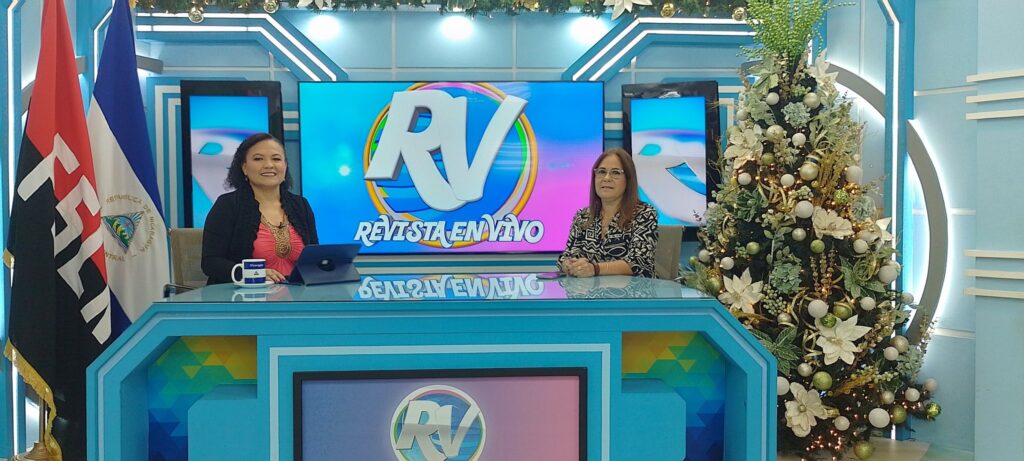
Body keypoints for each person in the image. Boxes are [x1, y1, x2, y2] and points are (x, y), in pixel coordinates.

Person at [202, 133, 318, 284]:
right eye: (258, 159)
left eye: (276, 159)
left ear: (285, 166)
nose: (269, 165)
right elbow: (210, 262)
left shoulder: (301, 205)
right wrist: (252, 274)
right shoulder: (228, 205)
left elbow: (314, 257)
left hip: (297, 294)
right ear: (244, 168)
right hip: (245, 296)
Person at [558, 147, 659, 278]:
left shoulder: (644, 213)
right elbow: (567, 255)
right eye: (601, 172)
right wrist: (569, 265)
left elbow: (639, 261)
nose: (606, 178)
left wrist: (595, 269)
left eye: (615, 173)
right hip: (589, 290)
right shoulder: (583, 216)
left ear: (628, 179)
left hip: (634, 290)